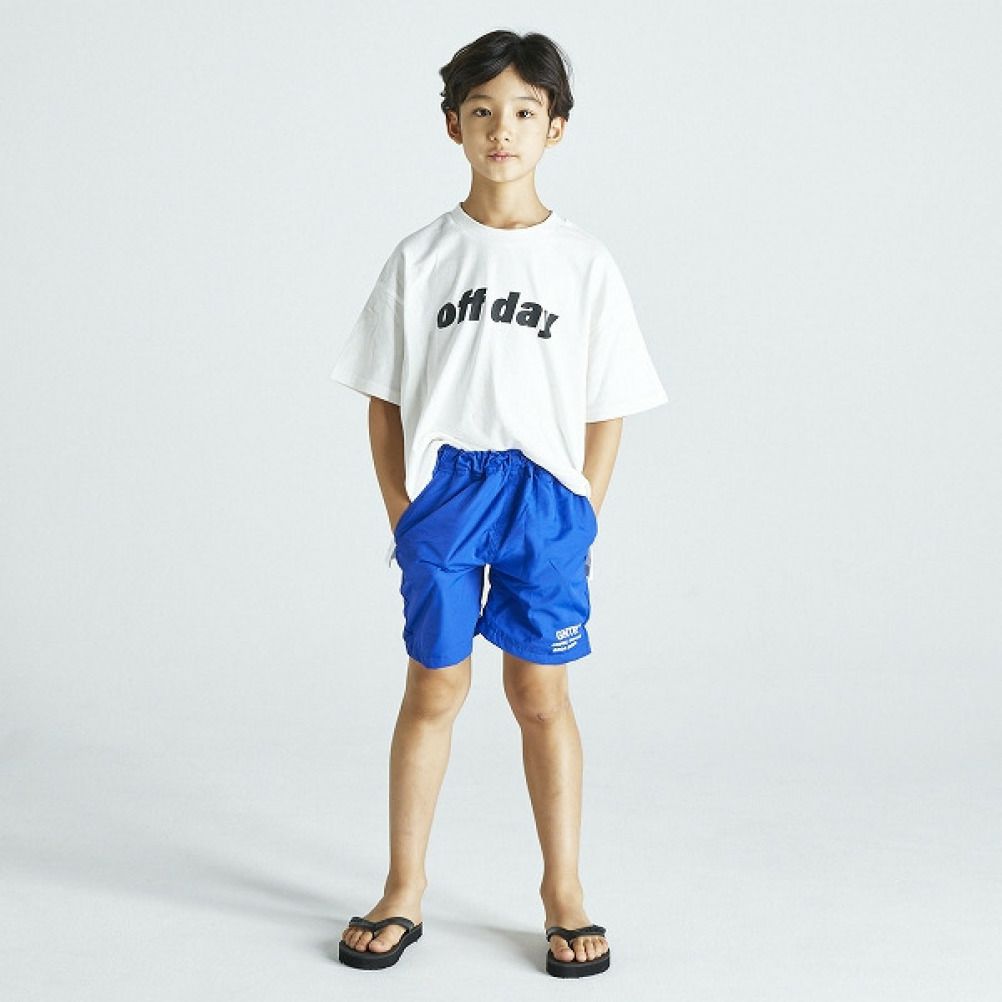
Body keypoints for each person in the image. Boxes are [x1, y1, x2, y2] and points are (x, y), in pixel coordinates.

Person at [330, 29, 668, 977]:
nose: (502, 130)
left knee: (539, 693)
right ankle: (404, 888)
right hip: (449, 490)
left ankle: (564, 893)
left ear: (556, 127)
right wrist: (403, 508)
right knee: (433, 686)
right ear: (453, 126)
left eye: (524, 111)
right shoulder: (423, 257)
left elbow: (608, 404)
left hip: (544, 496)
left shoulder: (584, 263)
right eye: (481, 112)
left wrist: (585, 508)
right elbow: (383, 396)